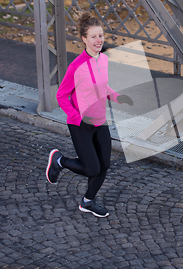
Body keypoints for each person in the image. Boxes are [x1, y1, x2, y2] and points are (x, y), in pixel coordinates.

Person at [46, 11, 133, 218]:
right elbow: (61, 96)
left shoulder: (103, 59)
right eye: (93, 36)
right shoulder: (76, 66)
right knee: (92, 169)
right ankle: (59, 160)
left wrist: (118, 97)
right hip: (80, 125)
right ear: (84, 39)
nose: (98, 40)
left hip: (100, 121)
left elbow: (103, 87)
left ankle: (88, 201)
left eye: (100, 35)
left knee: (104, 165)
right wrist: (77, 119)